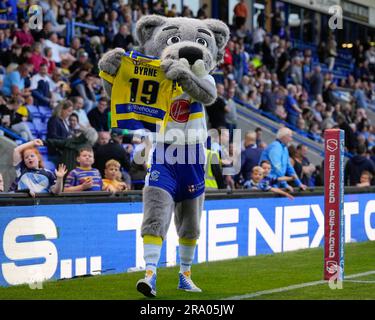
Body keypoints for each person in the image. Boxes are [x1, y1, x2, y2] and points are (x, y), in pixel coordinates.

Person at [259, 127, 307, 192]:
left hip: (277, 183)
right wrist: (285, 184)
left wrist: (299, 183)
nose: (291, 139)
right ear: (284, 137)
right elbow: (277, 168)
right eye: (290, 137)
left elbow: (289, 167)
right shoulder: (275, 147)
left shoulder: (285, 149)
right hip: (268, 183)